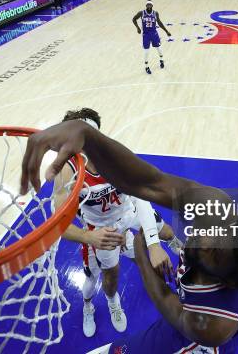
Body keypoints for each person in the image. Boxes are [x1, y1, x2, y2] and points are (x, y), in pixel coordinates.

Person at [20, 120, 238, 354]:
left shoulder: (213, 325)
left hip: (188, 341)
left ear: (229, 280)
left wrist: (141, 250)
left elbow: (162, 296)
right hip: (115, 232)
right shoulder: (217, 209)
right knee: (164, 234)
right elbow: (149, 183)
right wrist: (87, 135)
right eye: (218, 233)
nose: (203, 239)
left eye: (214, 252)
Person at [52, 108, 183, 338]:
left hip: (130, 211)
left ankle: (179, 249)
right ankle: (108, 302)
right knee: (110, 276)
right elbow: (57, 224)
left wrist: (153, 244)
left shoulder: (116, 155)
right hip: (101, 229)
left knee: (167, 233)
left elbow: (142, 194)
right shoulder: (67, 170)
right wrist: (87, 237)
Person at [132, 0, 171, 75]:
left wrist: (166, 31)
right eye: (147, 5)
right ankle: (146, 66)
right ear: (146, 5)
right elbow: (134, 19)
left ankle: (161, 60)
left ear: (152, 6)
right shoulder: (141, 13)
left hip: (154, 33)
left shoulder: (155, 13)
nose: (149, 6)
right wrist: (137, 28)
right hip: (146, 34)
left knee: (159, 48)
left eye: (150, 5)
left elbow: (159, 23)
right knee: (146, 51)